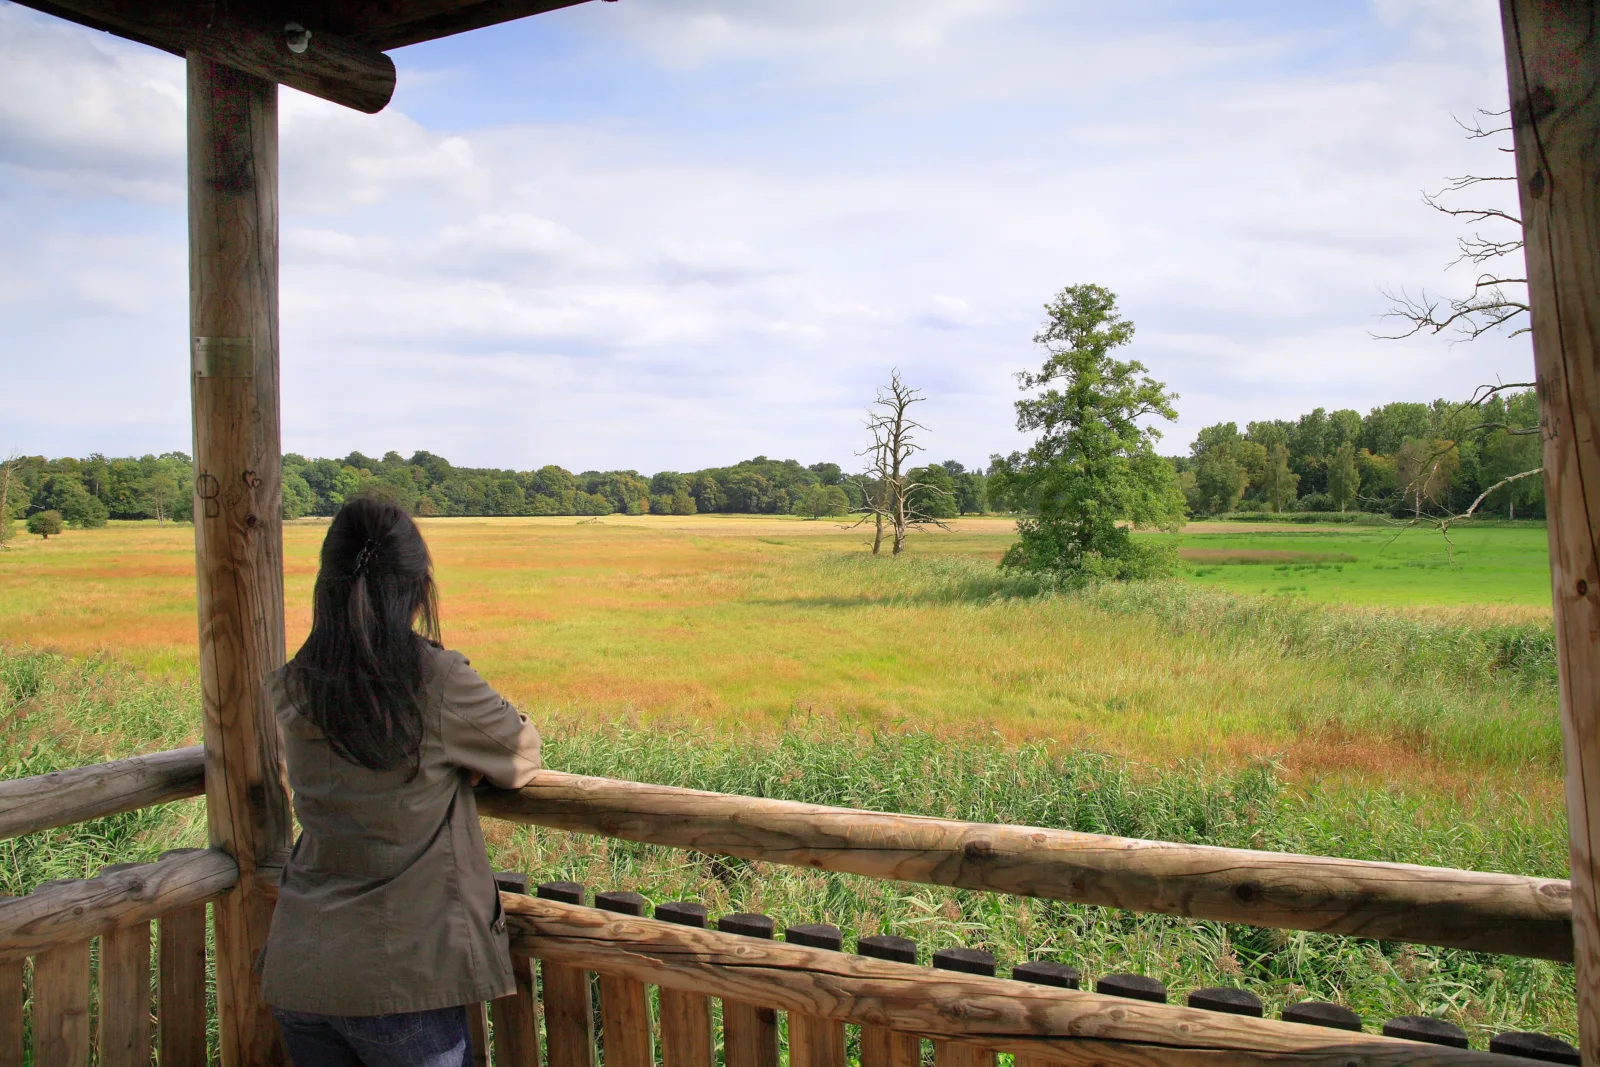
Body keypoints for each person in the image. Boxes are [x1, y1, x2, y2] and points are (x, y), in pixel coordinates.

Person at [262, 496, 542, 1066]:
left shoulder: (296, 681)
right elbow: (520, 755)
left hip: (301, 962)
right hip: (401, 974)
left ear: (327, 585)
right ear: (416, 588)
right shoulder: (434, 677)